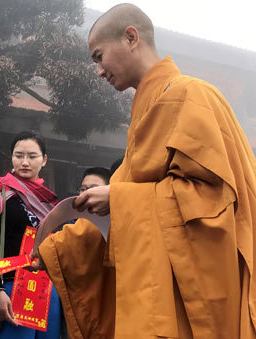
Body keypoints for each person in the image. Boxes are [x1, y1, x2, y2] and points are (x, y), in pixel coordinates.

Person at [33, 3, 256, 338]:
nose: (99, 71)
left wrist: (119, 198)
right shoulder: (149, 111)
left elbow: (214, 199)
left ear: (131, 37)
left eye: (98, 56)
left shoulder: (189, 95)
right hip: (163, 284)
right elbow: (127, 207)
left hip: (197, 292)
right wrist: (58, 251)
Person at [0, 131, 61, 339]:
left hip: (46, 288)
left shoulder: (48, 199)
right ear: (11, 157)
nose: (25, 162)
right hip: (11, 286)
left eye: (32, 156)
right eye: (18, 155)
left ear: (44, 160)